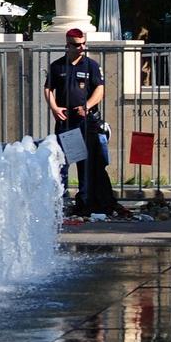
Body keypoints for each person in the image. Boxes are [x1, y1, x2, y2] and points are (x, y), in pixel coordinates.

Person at [44, 29, 123, 216]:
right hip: (66, 122)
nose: (81, 48)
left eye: (83, 44)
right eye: (76, 45)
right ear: (67, 45)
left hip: (86, 122)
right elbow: (48, 89)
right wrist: (54, 108)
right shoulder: (57, 66)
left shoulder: (91, 65)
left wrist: (87, 106)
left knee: (86, 162)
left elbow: (100, 90)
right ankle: (59, 200)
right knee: (62, 161)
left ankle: (86, 201)